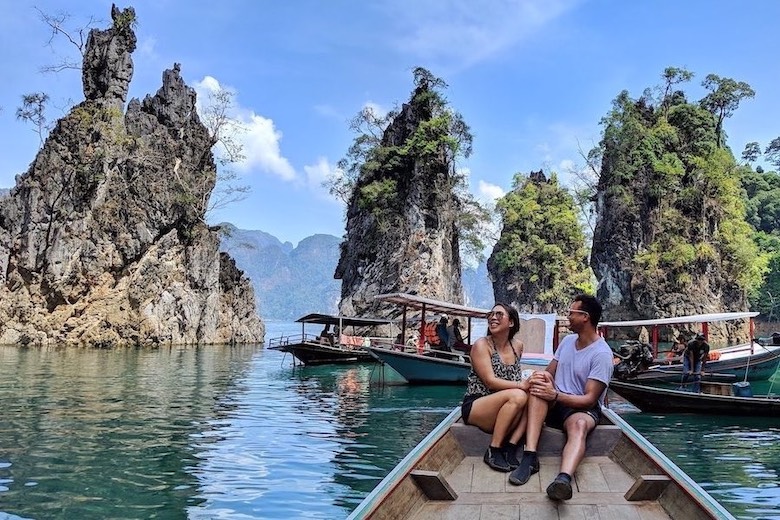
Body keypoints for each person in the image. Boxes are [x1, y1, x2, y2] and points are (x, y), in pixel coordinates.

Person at [509, 294, 613, 501]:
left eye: (571, 313)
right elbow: (550, 371)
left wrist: (555, 394)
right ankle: (530, 457)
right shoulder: (567, 342)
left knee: (580, 425)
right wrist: (540, 378)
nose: (568, 317)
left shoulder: (601, 354)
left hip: (580, 407)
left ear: (585, 317)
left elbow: (590, 399)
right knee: (539, 387)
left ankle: (563, 479)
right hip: (555, 401)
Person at [460, 303, 529, 473]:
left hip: (506, 406)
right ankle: (494, 449)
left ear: (511, 322)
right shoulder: (482, 345)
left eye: (499, 314)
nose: (493, 318)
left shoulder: (517, 346)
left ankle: (511, 447)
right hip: (478, 404)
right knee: (519, 396)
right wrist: (521, 386)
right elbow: (490, 381)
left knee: (535, 396)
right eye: (491, 315)